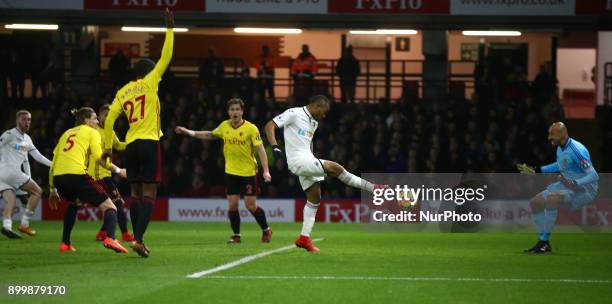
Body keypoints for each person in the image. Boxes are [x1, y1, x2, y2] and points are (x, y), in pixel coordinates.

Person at [264, 95, 383, 253]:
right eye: (324, 111)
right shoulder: (294, 113)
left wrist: (312, 160)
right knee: (337, 169)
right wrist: (275, 146)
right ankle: (373, 188)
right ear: (316, 106)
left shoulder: (314, 122)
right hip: (298, 161)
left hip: (307, 160)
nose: (324, 115)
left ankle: (304, 238)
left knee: (314, 198)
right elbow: (269, 125)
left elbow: (306, 144)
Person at [103, 8, 175, 258]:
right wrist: (169, 28)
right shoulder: (150, 81)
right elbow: (166, 57)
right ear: (148, 72)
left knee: (134, 193)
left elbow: (109, 119)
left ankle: (137, 239)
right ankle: (139, 238)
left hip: (131, 145)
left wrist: (109, 147)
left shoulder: (123, 91)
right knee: (149, 193)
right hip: (149, 143)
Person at [175, 98, 273, 243]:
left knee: (250, 205)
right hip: (231, 172)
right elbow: (209, 134)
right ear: (228, 112)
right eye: (232, 109)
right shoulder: (224, 126)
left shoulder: (251, 129)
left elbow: (260, 149)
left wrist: (266, 171)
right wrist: (189, 132)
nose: (235, 112)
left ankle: (266, 230)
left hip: (248, 172)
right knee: (233, 204)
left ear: (242, 111)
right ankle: (236, 235)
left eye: (237, 109)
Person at [49, 107, 128, 253]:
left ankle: (65, 243)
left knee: (75, 203)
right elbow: (100, 158)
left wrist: (52, 188)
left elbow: (53, 162)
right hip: (77, 175)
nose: (97, 121)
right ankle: (110, 238)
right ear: (86, 120)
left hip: (59, 177)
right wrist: (118, 170)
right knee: (110, 207)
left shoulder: (66, 133)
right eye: (95, 118)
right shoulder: (92, 132)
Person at [517, 122, 598, 253]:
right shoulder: (560, 148)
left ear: (562, 134)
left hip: (584, 189)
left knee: (552, 198)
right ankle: (543, 242)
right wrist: (536, 170)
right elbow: (559, 165)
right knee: (535, 202)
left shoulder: (577, 150)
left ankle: (544, 242)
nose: (549, 137)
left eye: (552, 134)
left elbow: (594, 176)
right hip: (566, 185)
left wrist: (575, 183)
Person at [0, 110, 51, 239]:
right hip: (9, 171)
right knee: (38, 191)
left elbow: (37, 156)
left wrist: (52, 164)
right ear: (17, 121)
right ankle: (24, 224)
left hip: (5, 175)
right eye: (24, 119)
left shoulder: (27, 139)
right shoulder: (9, 134)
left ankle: (7, 227)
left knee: (11, 201)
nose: (27, 122)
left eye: (29, 120)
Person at [90, 104, 133, 242]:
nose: (108, 119)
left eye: (111, 116)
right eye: (105, 115)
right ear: (100, 115)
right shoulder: (93, 130)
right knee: (118, 204)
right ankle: (125, 234)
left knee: (112, 205)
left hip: (106, 173)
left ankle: (102, 233)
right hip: (97, 174)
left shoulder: (110, 132)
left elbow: (119, 145)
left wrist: (133, 143)